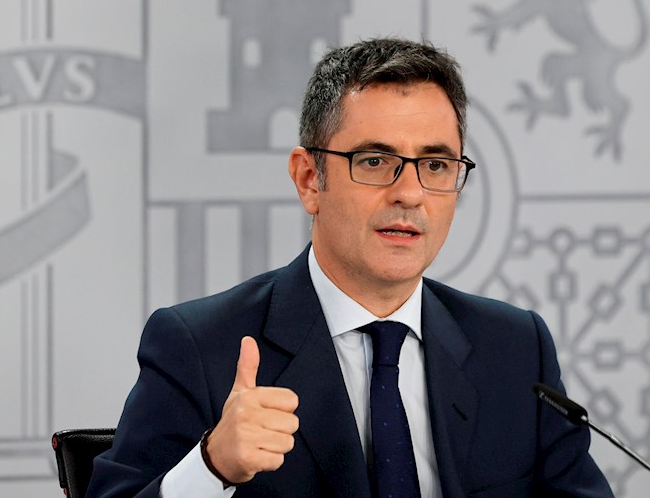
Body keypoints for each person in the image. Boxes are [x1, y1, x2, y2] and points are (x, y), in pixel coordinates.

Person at [87, 38, 614, 498]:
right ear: (309, 180)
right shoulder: (200, 346)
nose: (409, 194)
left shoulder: (515, 348)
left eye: (435, 165)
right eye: (374, 161)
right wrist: (211, 467)